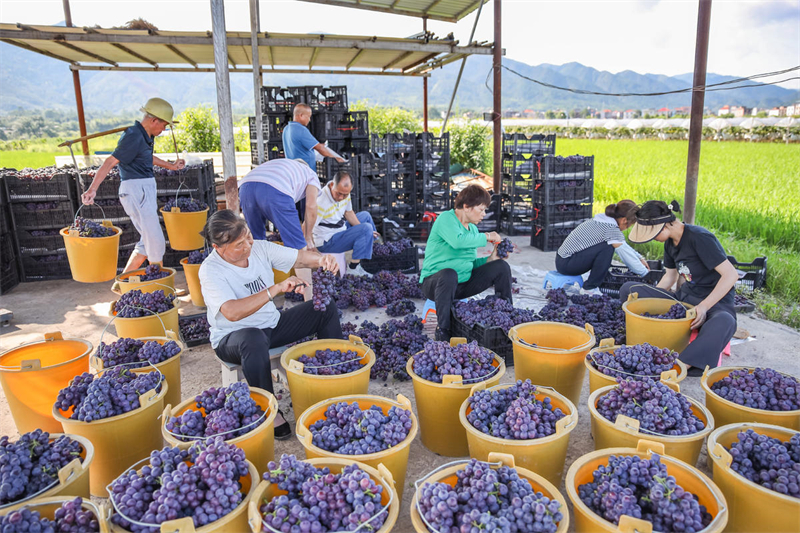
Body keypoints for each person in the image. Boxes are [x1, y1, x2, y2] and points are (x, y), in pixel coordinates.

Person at [198, 210, 342, 439]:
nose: (247, 245)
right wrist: (274, 289)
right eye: (239, 244)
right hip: (233, 338)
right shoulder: (210, 270)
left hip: (272, 325)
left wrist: (321, 259)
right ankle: (268, 409)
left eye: (248, 237)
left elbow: (299, 258)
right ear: (218, 247)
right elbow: (232, 313)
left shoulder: (260, 248)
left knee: (324, 307)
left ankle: (336, 376)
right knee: (253, 339)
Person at [620, 200, 738, 376]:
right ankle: (654, 333)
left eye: (653, 235)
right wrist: (650, 302)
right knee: (630, 289)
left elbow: (731, 275)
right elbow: (670, 277)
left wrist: (704, 307)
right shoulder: (670, 243)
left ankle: (678, 365)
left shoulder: (700, 237)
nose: (653, 240)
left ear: (664, 225)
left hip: (713, 303)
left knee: (725, 323)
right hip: (684, 299)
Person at [81, 98, 185, 272]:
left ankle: (123, 282)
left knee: (147, 241)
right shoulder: (133, 135)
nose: (164, 129)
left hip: (142, 189)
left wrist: (171, 166)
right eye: (164, 125)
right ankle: (160, 285)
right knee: (155, 240)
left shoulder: (145, 136)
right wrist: (92, 190)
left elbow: (146, 157)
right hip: (137, 190)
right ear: (154, 121)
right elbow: (109, 162)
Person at [419, 185, 512, 341]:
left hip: (462, 285)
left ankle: (507, 317)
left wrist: (491, 259)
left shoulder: (473, 230)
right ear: (467, 207)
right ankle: (443, 330)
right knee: (449, 274)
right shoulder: (446, 219)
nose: (484, 214)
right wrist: (488, 236)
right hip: (435, 284)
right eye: (481, 209)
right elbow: (457, 241)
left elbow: (470, 263)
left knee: (501, 267)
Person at [556, 200, 651, 294]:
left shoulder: (604, 220)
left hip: (563, 260)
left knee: (609, 245)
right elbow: (626, 256)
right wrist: (646, 274)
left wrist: (640, 258)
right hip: (567, 264)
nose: (628, 228)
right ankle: (589, 288)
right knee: (607, 248)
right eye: (629, 226)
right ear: (624, 220)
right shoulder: (610, 228)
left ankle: (591, 285)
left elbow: (623, 245)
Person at [238, 158, 322, 249]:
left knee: (256, 242)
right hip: (276, 188)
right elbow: (311, 206)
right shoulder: (310, 173)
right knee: (297, 247)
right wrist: (308, 237)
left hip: (246, 187)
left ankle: (258, 261)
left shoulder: (279, 164)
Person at [313, 171, 380, 277]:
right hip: (327, 241)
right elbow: (308, 225)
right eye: (339, 193)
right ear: (331, 185)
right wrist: (308, 247)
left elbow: (348, 212)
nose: (341, 197)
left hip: (338, 230)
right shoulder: (321, 201)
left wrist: (366, 233)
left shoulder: (344, 193)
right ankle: (353, 269)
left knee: (365, 216)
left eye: (345, 194)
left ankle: (370, 248)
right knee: (366, 228)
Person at [282, 103, 345, 169]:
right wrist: (337, 158)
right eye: (308, 117)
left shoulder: (286, 129)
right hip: (305, 172)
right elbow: (320, 148)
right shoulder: (301, 129)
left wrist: (320, 145)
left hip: (294, 170)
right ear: (301, 115)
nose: (309, 120)